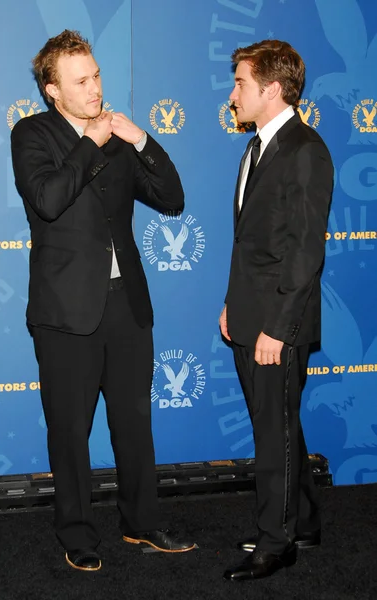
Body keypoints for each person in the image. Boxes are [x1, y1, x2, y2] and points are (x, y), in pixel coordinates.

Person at [11, 29, 194, 572]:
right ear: (52, 90)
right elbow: (47, 199)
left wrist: (139, 141)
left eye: (96, 76)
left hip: (127, 305)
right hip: (66, 312)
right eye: (81, 81)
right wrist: (91, 140)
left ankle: (142, 523)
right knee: (70, 430)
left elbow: (173, 199)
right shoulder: (32, 134)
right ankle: (77, 533)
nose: (95, 89)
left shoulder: (118, 136)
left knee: (135, 423)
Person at [219, 40, 333, 582]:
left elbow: (306, 251)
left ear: (271, 88)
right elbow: (254, 242)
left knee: (273, 435)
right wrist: (231, 304)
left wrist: (278, 329)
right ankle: (304, 520)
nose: (233, 93)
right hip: (250, 313)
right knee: (280, 426)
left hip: (276, 325)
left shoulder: (304, 149)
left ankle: (276, 541)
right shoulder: (259, 146)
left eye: (240, 83)